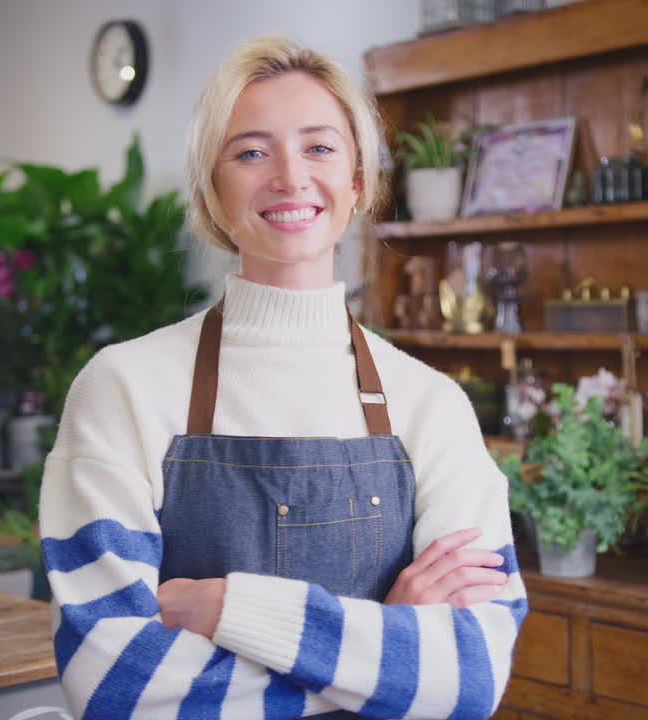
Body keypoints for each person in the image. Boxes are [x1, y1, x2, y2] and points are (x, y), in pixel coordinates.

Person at [38, 36, 527, 719]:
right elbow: (113, 685)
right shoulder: (122, 389)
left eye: (320, 147)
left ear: (357, 182)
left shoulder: (431, 406)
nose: (290, 177)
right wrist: (384, 644)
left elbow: (470, 676)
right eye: (250, 152)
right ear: (214, 187)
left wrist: (222, 607)